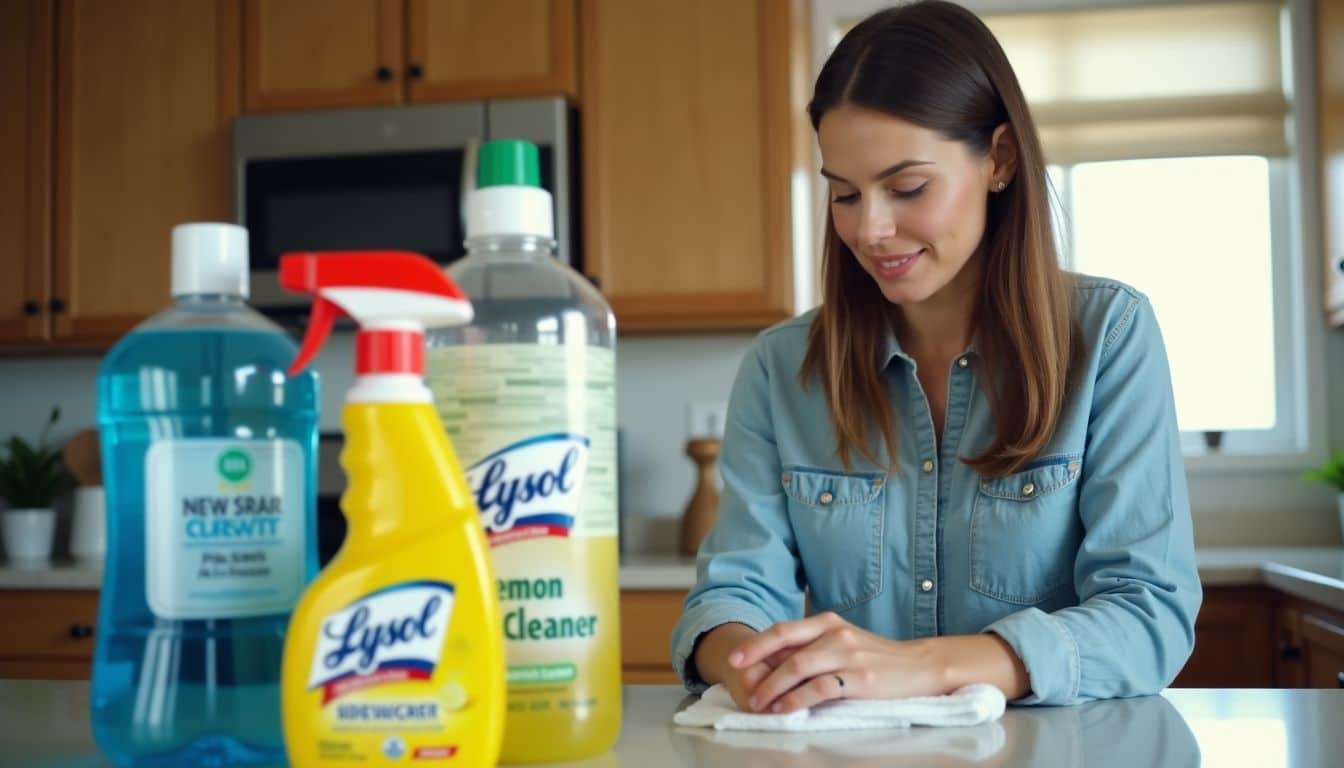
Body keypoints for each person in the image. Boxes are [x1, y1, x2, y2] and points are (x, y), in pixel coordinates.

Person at [670, 0, 1202, 713]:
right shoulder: (781, 367)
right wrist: (745, 661)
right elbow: (733, 592)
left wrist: (922, 667)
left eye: (908, 188)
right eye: (845, 194)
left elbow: (1148, 617)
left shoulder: (1108, 334)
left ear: (1000, 160)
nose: (872, 229)